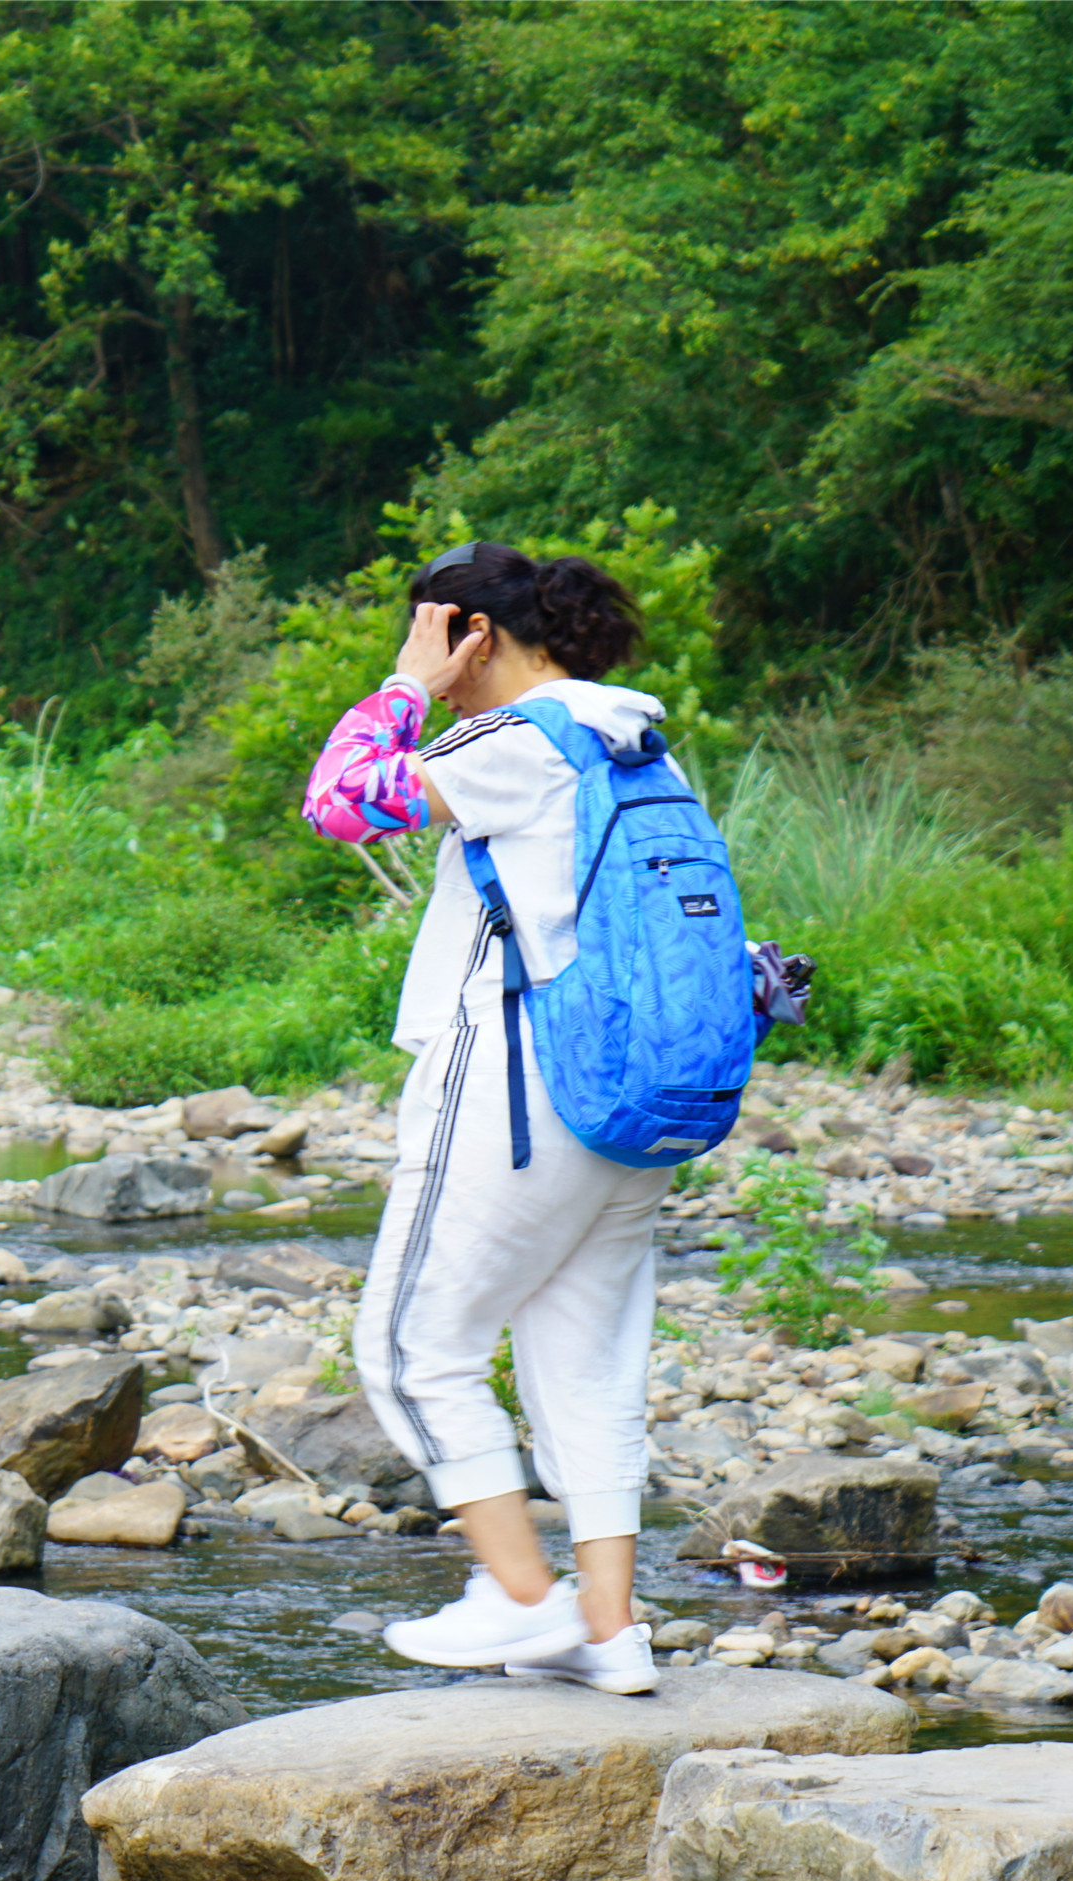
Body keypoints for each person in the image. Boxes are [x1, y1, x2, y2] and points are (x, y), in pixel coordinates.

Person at [302, 540, 675, 1692]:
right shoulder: (636, 741)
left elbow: (340, 806)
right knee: (586, 1359)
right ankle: (610, 1633)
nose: (422, 656)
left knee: (413, 1345)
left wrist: (405, 688)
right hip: (626, 1100)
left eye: (430, 631)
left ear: (470, 632)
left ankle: (526, 1599)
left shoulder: (519, 740)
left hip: (516, 1087)